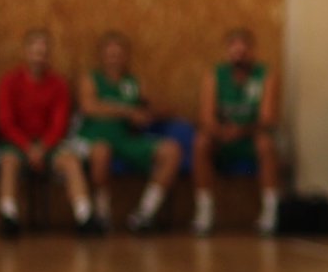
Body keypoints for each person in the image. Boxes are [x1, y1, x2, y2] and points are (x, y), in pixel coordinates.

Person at [0, 28, 98, 237]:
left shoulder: (58, 84)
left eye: (43, 52)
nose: (38, 57)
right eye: (35, 51)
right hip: (18, 143)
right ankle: (8, 216)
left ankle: (84, 216)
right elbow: (5, 123)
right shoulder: (10, 81)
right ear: (25, 52)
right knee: (8, 161)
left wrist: (42, 148)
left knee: (71, 162)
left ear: (49, 55)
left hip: (49, 144)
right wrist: (27, 147)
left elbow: (59, 125)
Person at [75, 32, 180, 233]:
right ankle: (102, 214)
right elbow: (89, 107)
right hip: (95, 138)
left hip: (125, 138)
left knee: (171, 151)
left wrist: (147, 114)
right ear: (102, 56)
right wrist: (126, 111)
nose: (114, 58)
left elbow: (156, 108)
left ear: (126, 56)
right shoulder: (91, 79)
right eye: (110, 53)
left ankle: (144, 214)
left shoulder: (134, 82)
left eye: (118, 53)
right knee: (101, 151)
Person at [192, 28, 280, 236]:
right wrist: (221, 131)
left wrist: (241, 130)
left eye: (244, 48)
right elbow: (206, 117)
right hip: (222, 137)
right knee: (201, 142)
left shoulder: (266, 75)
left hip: (250, 136)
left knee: (266, 144)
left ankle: (270, 212)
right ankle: (205, 211)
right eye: (234, 48)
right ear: (228, 52)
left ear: (252, 51)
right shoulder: (215, 75)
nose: (239, 53)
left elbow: (267, 118)